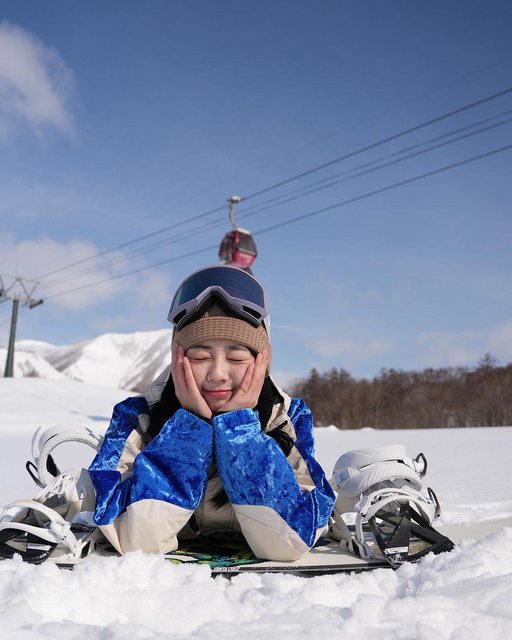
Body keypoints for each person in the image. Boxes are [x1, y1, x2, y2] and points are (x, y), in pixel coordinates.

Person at [88, 265, 335, 561]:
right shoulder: (136, 417)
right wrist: (189, 428)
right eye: (200, 356)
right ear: (177, 359)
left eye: (236, 357)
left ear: (262, 362)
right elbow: (135, 540)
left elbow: (290, 541)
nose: (218, 373)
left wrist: (240, 431)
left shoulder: (287, 418)